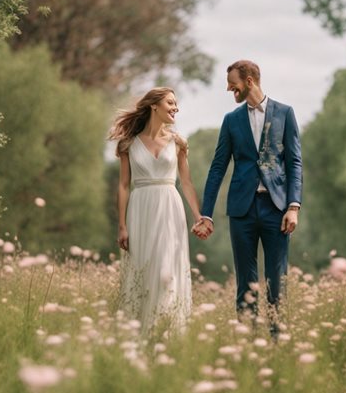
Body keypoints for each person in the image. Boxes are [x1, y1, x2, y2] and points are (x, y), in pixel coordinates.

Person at [195, 60, 302, 336]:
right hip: (241, 210)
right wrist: (205, 213)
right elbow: (218, 167)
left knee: (277, 281)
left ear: (250, 81)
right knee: (245, 281)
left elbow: (294, 163)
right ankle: (248, 341)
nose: (230, 89)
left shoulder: (285, 113)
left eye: (233, 85)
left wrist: (293, 206)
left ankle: (278, 340)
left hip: (276, 208)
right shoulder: (231, 120)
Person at [108, 87, 203, 335]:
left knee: (166, 273)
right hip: (140, 209)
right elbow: (123, 185)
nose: (176, 108)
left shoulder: (178, 142)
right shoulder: (128, 144)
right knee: (143, 268)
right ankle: (137, 335)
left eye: (176, 103)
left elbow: (187, 183)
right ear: (154, 106)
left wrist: (198, 217)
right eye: (170, 102)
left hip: (170, 209)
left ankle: (168, 332)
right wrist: (122, 225)